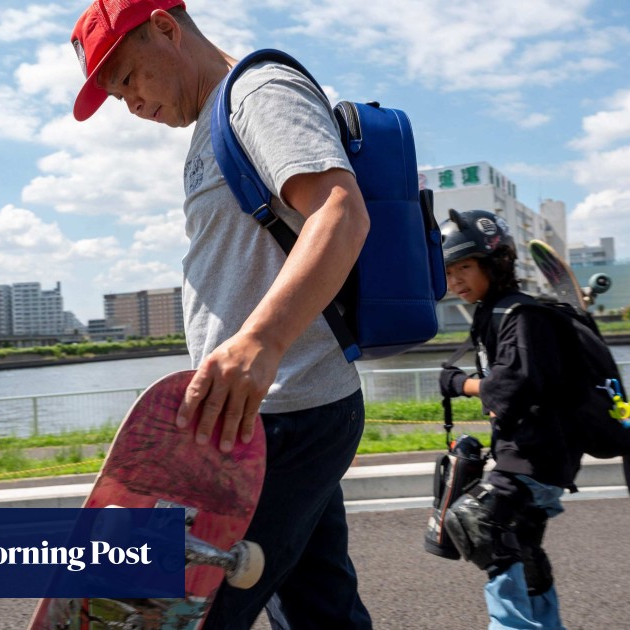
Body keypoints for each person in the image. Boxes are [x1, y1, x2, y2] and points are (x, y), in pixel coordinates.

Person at [69, 1, 373, 628]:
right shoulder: (212, 124)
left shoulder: (258, 94)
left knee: (183, 615)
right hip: (267, 414)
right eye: (115, 94)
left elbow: (340, 213)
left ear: (165, 28)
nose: (131, 104)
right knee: (320, 610)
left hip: (279, 415)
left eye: (128, 79)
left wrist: (258, 341)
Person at [437, 209, 574, 630]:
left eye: (465, 267)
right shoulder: (492, 312)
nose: (456, 280)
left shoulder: (522, 315)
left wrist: (460, 384)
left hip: (536, 456)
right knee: (523, 550)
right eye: (449, 271)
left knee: (484, 530)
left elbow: (511, 388)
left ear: (494, 264)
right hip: (528, 454)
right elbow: (507, 384)